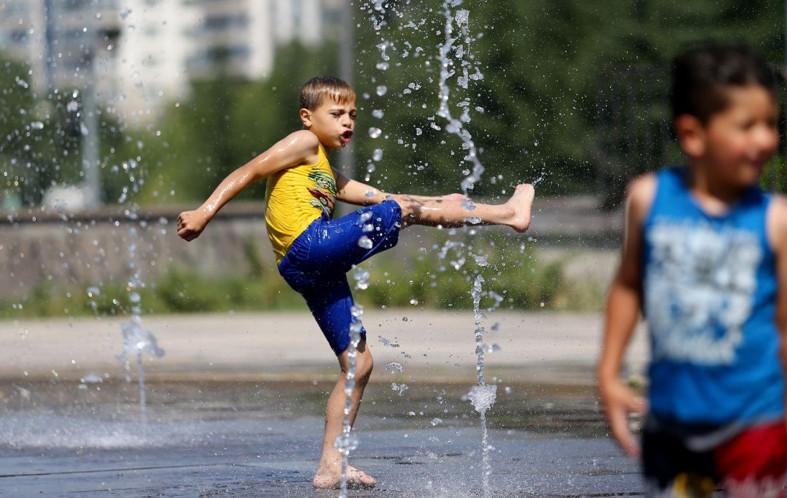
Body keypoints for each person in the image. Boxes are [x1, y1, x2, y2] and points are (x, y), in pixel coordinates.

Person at [177, 76, 535, 489]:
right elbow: (249, 170)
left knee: (358, 364)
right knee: (401, 210)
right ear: (307, 117)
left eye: (352, 114)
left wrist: (436, 203)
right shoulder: (302, 143)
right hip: (309, 246)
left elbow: (382, 197)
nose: (347, 122)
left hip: (306, 268)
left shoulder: (329, 174)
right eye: (336, 114)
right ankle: (507, 214)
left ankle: (330, 465)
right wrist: (204, 212)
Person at [597, 44, 787, 497]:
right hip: (672, 423)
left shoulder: (780, 222)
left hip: (755, 423)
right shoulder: (649, 199)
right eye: (747, 126)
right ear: (693, 135)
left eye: (770, 124)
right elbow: (628, 287)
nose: (766, 140)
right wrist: (608, 375)